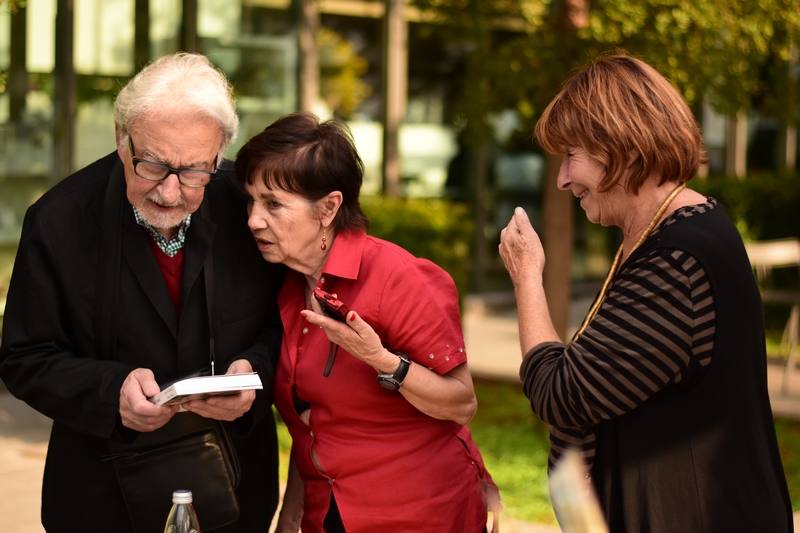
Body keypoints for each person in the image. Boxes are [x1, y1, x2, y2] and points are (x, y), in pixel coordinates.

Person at [498, 54, 793, 532]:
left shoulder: (677, 262)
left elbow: (561, 394)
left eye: (571, 156)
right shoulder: (671, 234)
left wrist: (527, 277)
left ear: (625, 150)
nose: (562, 178)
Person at [0, 53, 285, 531]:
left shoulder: (249, 205)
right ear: (120, 138)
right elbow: (23, 357)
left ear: (219, 154)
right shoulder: (58, 220)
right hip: (101, 498)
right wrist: (110, 390)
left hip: (233, 488)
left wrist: (256, 373)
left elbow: (288, 322)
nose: (170, 192)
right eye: (152, 164)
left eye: (196, 170)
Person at [235, 111, 500, 533]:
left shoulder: (395, 276)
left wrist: (383, 361)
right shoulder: (285, 284)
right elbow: (313, 426)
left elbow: (461, 403)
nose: (253, 219)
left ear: (329, 208)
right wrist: (291, 515)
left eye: (273, 204)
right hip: (329, 513)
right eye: (251, 200)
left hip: (418, 513)